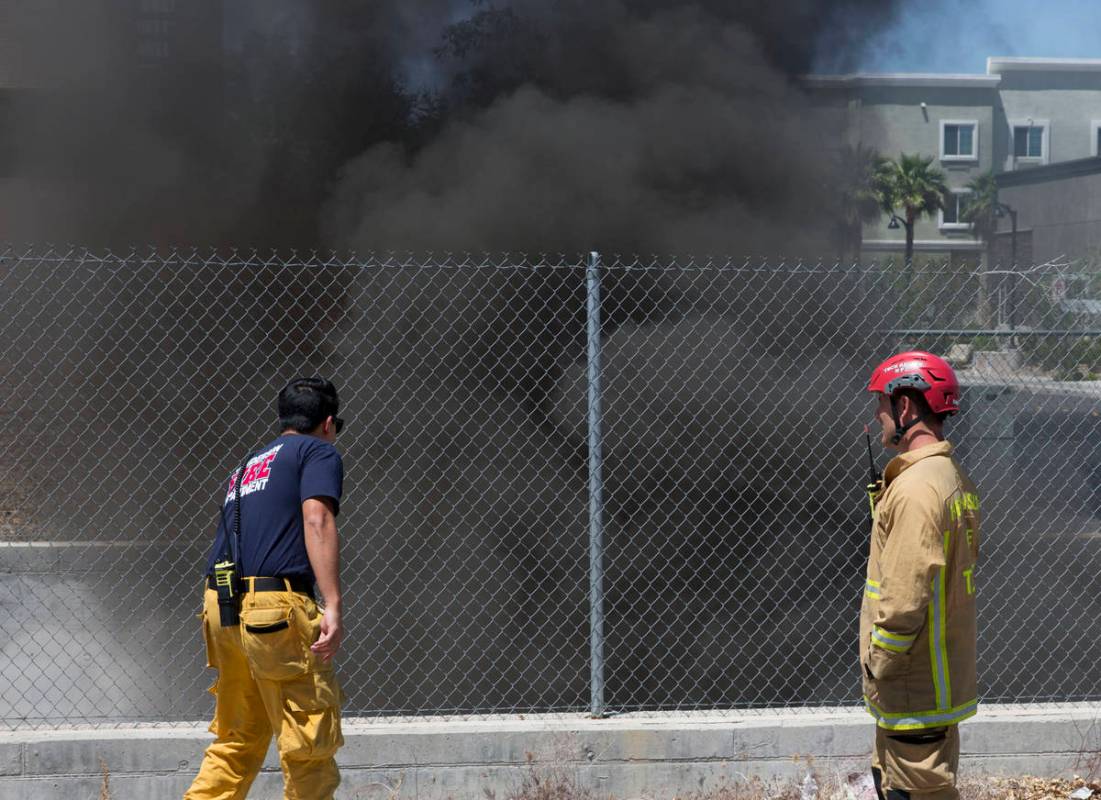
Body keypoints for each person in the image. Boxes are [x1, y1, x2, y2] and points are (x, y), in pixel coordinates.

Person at [185, 377, 346, 800]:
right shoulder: (318, 451)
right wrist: (331, 602)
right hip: (273, 611)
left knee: (236, 741)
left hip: (221, 605)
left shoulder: (248, 465)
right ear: (328, 423)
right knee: (308, 742)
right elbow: (317, 520)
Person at [862, 351, 980, 800]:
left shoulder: (915, 491)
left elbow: (906, 596)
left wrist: (879, 665)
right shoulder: (949, 478)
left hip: (912, 685)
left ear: (906, 407)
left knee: (913, 791)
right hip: (935, 679)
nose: (878, 415)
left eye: (881, 403)